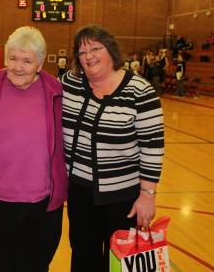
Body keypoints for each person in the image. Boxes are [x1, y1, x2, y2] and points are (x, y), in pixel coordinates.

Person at [0, 26, 68, 272]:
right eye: (13, 58)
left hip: (44, 201)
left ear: (40, 64)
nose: (18, 66)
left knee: (36, 265)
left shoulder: (57, 92)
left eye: (27, 61)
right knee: (0, 265)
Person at [61, 25, 164, 272]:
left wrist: (147, 195)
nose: (89, 56)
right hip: (79, 193)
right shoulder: (70, 82)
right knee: (83, 256)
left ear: (111, 51)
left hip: (123, 198)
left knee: (122, 262)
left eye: (96, 48)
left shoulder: (140, 91)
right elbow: (36, 91)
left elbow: (152, 145)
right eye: (82, 51)